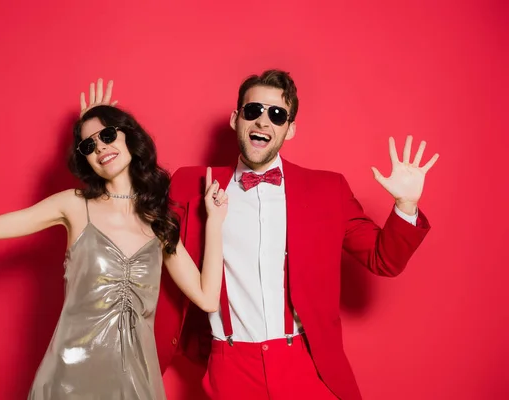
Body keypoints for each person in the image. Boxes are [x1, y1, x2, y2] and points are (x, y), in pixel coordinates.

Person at [151, 70, 439, 400]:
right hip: (230, 367)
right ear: (235, 119)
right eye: (253, 110)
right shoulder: (191, 184)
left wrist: (406, 205)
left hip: (306, 365)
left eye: (276, 115)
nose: (263, 122)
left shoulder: (328, 190)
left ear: (290, 129)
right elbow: (140, 220)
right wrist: (105, 135)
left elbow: (383, 259)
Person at [0, 79, 228, 400]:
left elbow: (208, 297)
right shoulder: (73, 205)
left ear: (131, 137)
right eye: (88, 145)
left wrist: (214, 222)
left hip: (136, 387)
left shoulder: (160, 222)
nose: (100, 146)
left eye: (107, 135)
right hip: (67, 383)